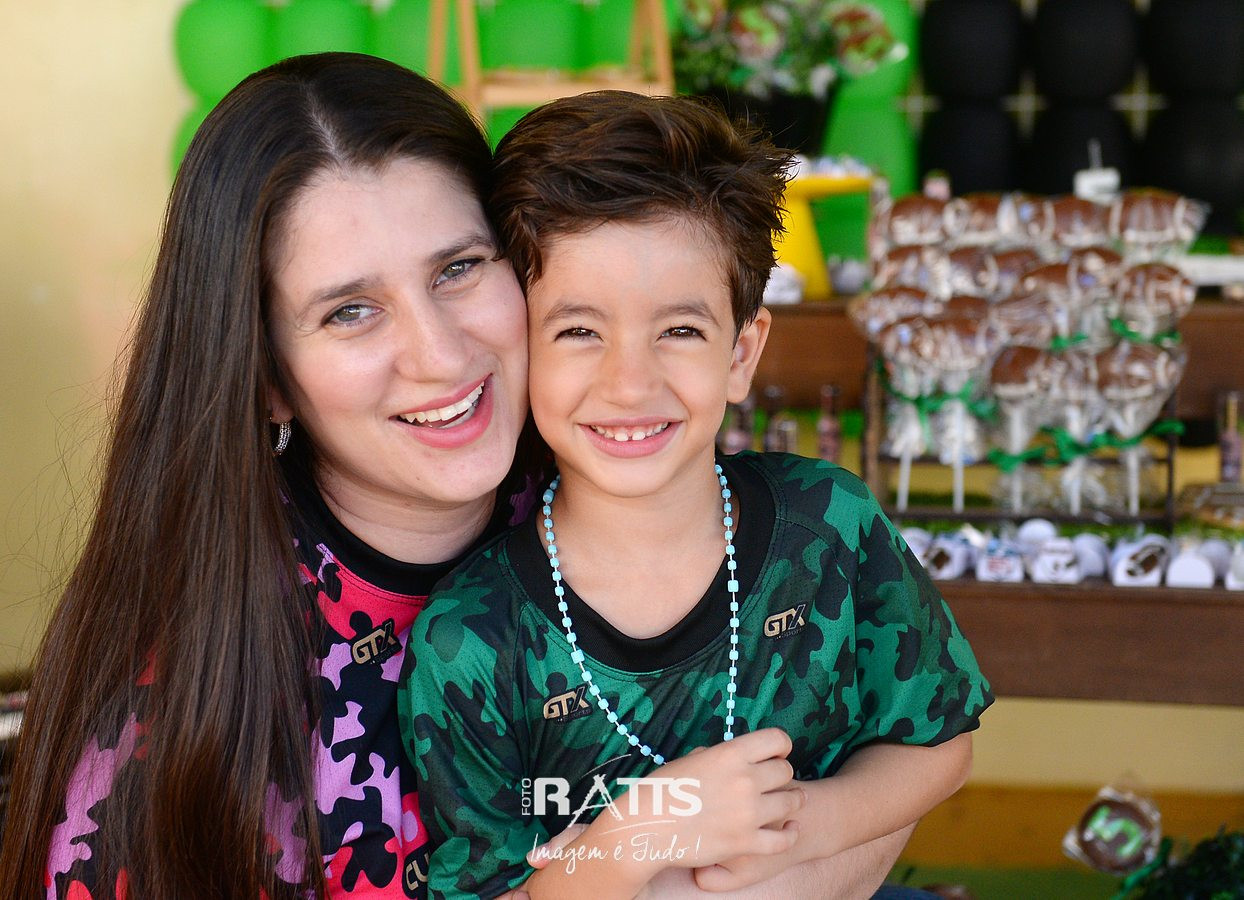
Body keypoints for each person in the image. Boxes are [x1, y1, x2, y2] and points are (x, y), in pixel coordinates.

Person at [401, 92, 993, 899]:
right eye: (578, 331)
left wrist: (798, 828)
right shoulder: (472, 638)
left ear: (742, 354)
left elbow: (937, 741)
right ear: (521, 346)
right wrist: (640, 835)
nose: (630, 382)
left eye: (679, 330)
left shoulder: (829, 525)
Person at [0, 52, 536, 899]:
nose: (440, 354)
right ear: (267, 378)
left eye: (459, 267)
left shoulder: (649, 507)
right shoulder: (181, 724)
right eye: (350, 311)